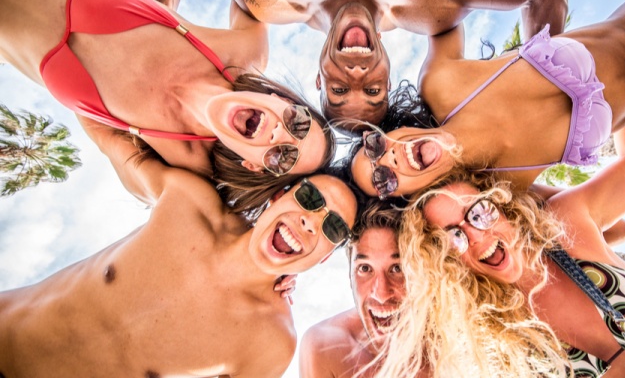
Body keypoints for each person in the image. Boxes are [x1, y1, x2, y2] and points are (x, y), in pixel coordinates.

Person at [0, 118, 357, 377]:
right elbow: (106, 134)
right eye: (310, 197)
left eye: (334, 226)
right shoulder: (189, 202)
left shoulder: (270, 342)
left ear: (325, 256)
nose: (312, 220)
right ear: (280, 196)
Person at [384, 126, 625, 377]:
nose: (476, 235)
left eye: (479, 211)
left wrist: (614, 71)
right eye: (453, 236)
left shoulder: (565, 226)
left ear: (501, 202)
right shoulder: (500, 340)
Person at [348, 0, 625, 198]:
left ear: (390, 130)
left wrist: (544, 42)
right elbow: (611, 222)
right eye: (384, 180)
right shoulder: (506, 188)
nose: (392, 159)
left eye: (375, 147)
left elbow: (434, 0)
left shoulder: (443, 83)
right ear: (411, 199)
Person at [0, 0, 335, 208]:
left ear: (253, 166)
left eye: (283, 157)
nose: (281, 133)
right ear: (284, 101)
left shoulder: (181, 166)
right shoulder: (243, 53)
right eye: (299, 123)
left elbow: (180, 213)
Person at [137, 0, 568, 129]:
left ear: (320, 78)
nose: (357, 71)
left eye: (340, 89)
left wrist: (150, 38)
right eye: (374, 88)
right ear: (388, 67)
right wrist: (544, 81)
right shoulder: (433, 5)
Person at [299, 200, 411, 378]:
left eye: (397, 268)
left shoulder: (453, 342)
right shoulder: (324, 347)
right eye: (365, 268)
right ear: (349, 274)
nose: (381, 294)